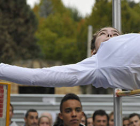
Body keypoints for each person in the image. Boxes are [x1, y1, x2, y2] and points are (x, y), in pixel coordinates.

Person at [1, 27, 140, 90]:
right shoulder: (96, 64)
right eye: (103, 34)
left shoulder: (131, 38)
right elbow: (36, 76)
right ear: (93, 51)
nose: (110, 35)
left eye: (115, 33)